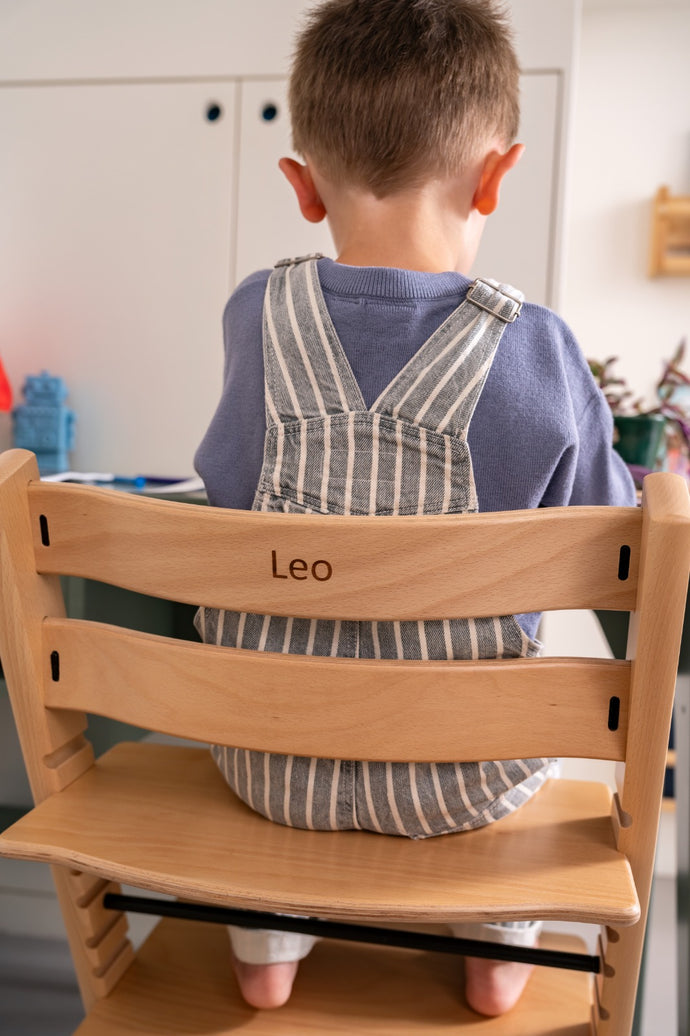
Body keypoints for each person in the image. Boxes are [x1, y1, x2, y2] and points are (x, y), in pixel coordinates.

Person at [194, 0, 636, 1017]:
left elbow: (224, 493)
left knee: (283, 695)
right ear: (497, 175)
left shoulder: (255, 317)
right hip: (460, 782)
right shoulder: (542, 350)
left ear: (301, 187)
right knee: (523, 719)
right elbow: (617, 556)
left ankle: (269, 953)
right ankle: (493, 955)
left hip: (272, 763)